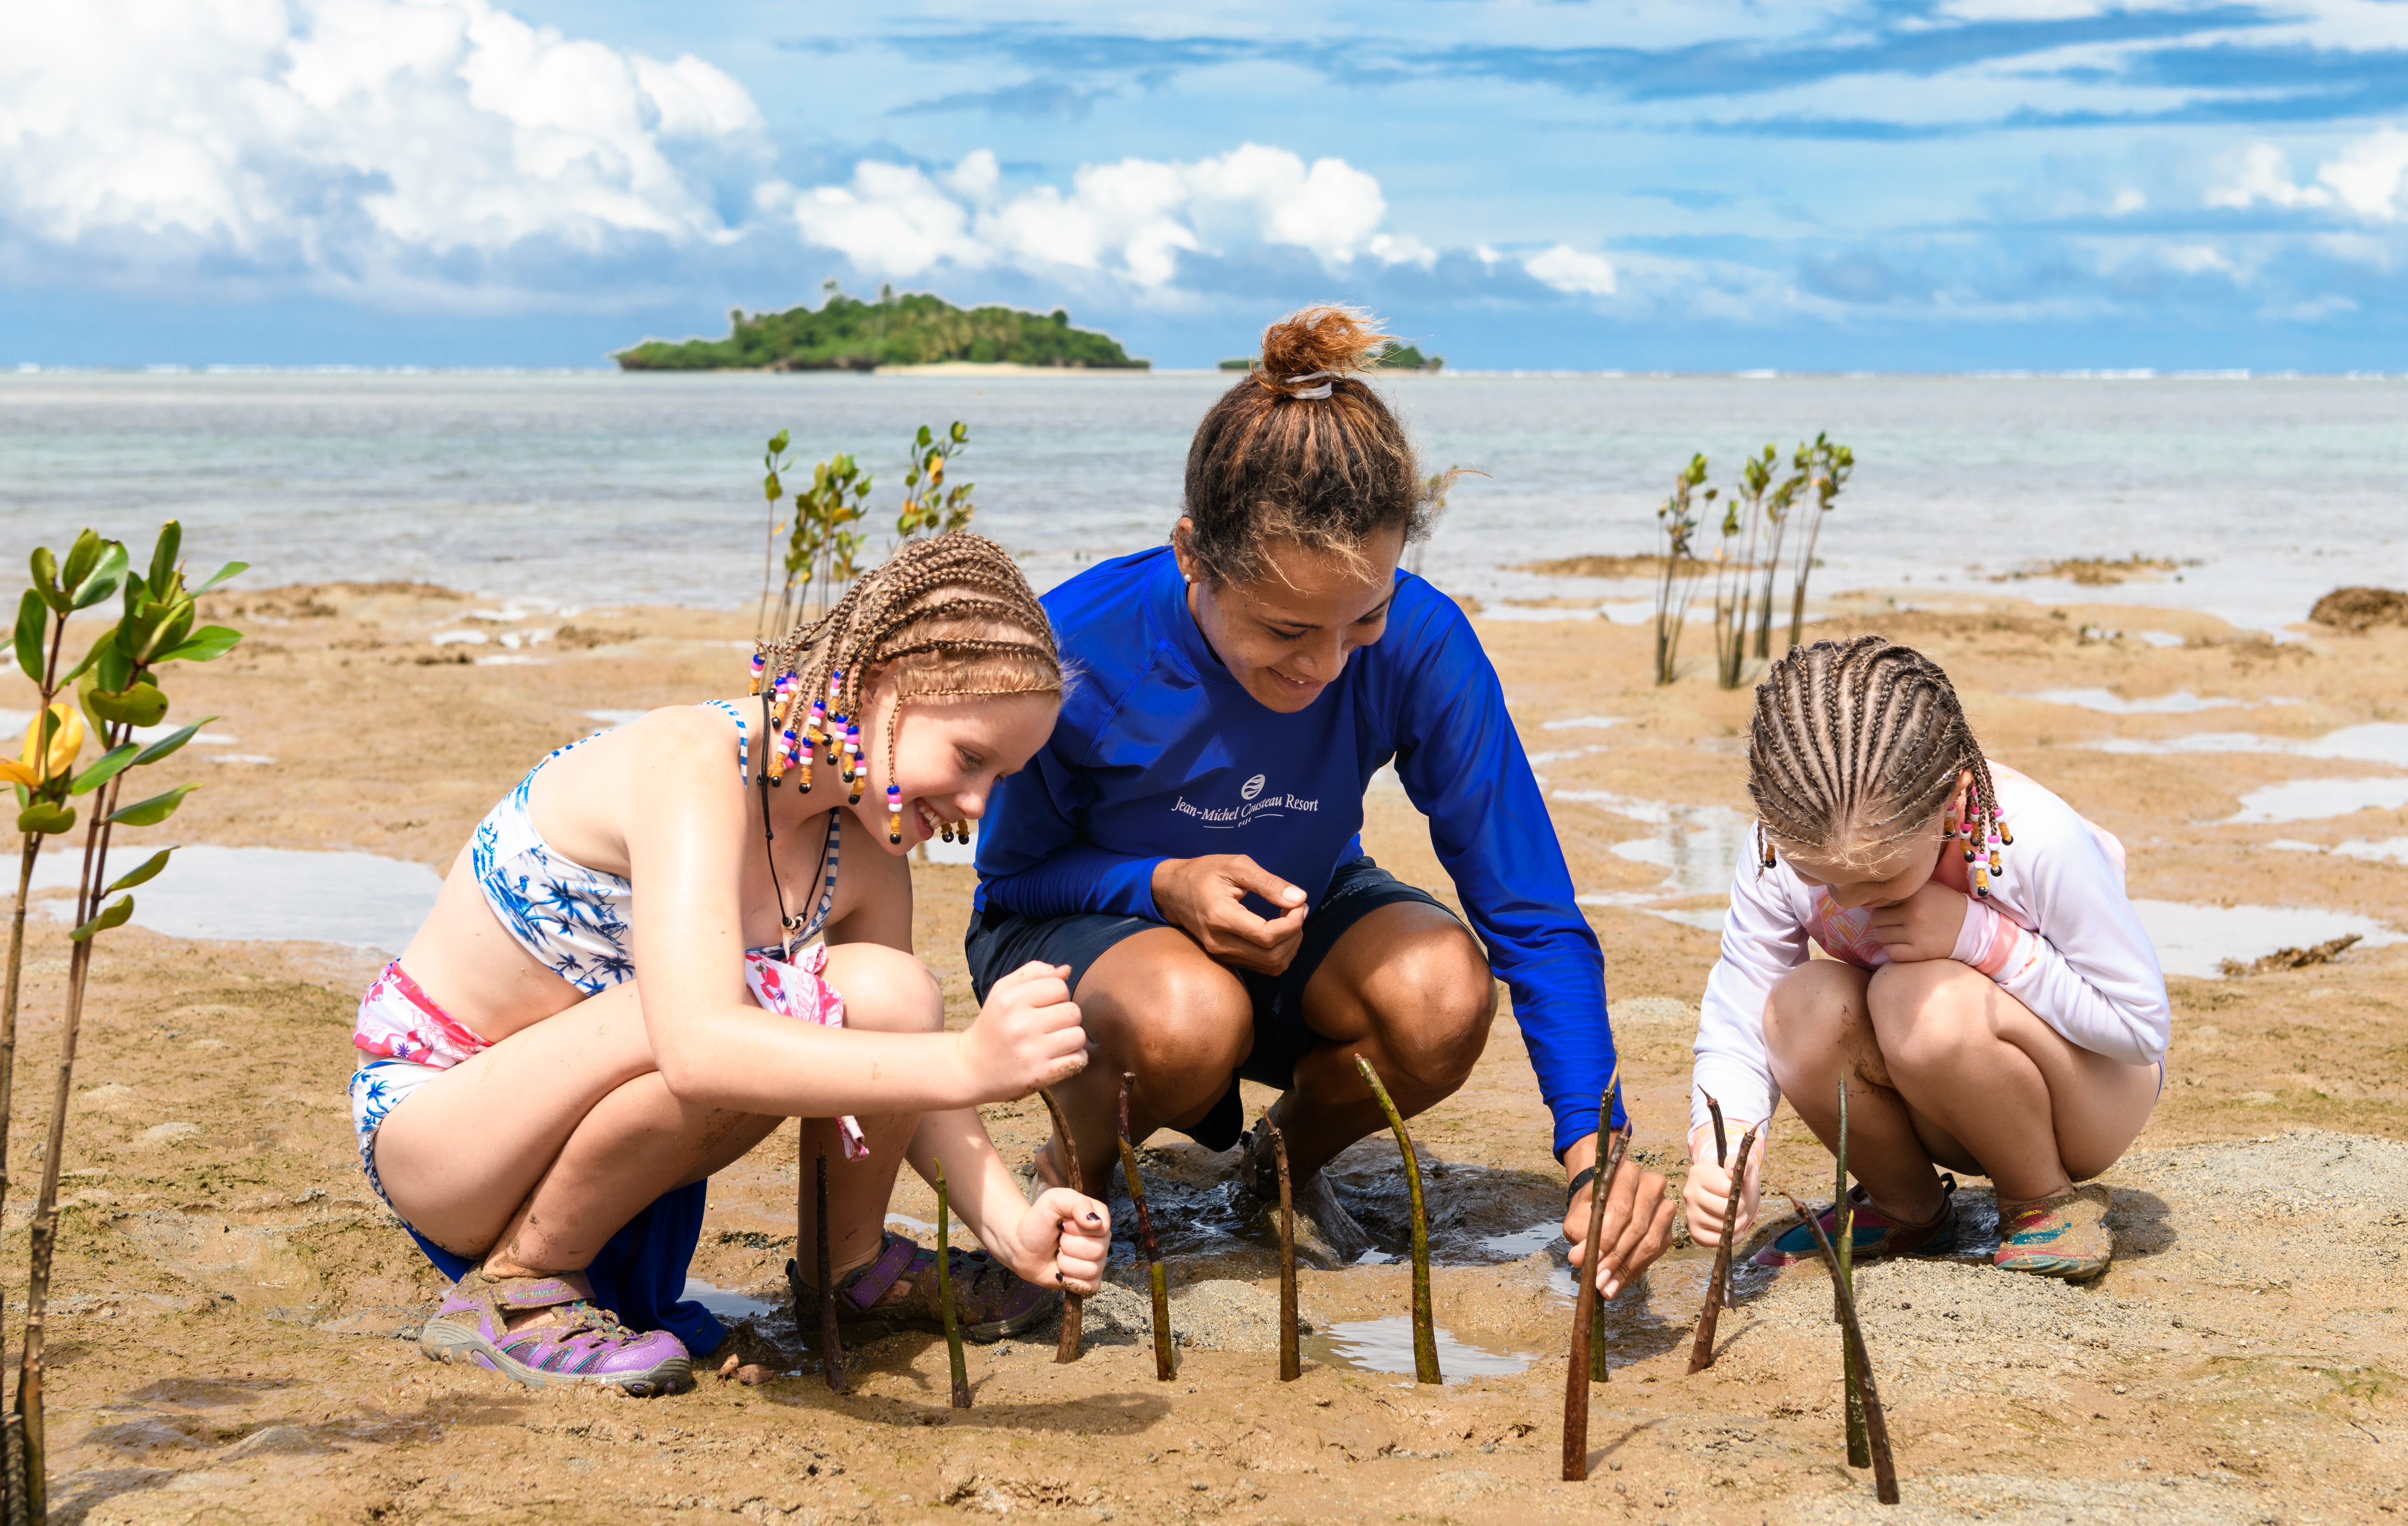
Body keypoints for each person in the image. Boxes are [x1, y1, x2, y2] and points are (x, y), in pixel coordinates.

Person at [967, 305, 1667, 1298]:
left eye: (1364, 618)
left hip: (1298, 912)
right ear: (1192, 556)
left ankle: (1276, 1168)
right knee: (1185, 1014)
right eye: (1288, 629)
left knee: (1443, 994)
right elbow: (1009, 883)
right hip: (1087, 922)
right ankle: (1071, 1180)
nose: (1329, 665)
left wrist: (1594, 1153)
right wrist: (1162, 884)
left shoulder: (1423, 643)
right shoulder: (1079, 648)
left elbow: (1533, 911)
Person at [350, 533, 1110, 1395]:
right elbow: (697, 1046)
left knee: (893, 991)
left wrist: (1015, 1228)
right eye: (970, 758)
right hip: (449, 1135)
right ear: (882, 681)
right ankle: (519, 1289)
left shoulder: (862, 849)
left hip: (610, 1151)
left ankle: (851, 1269)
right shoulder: (692, 762)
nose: (976, 804)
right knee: (732, 1008)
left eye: (1002, 778)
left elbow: (898, 1065)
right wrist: (975, 1059)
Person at [1681, 635, 2169, 1282]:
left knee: (1916, 999)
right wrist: (1726, 1142)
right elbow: (1743, 997)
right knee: (1794, 1006)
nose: (1846, 900)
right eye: (1818, 876)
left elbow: (2141, 1029)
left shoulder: (2035, 840)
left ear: (1950, 801)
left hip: (2086, 1099)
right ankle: (1905, 1205)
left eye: (1879, 878)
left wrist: (1979, 936)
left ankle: (2040, 1199)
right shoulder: (1784, 844)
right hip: (1929, 1089)